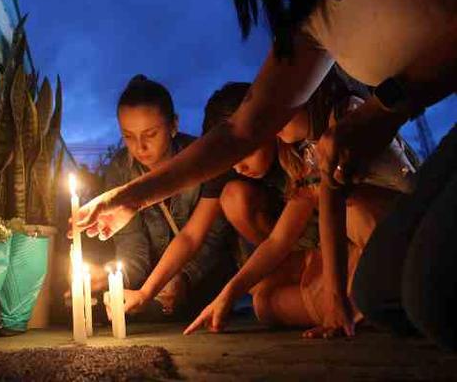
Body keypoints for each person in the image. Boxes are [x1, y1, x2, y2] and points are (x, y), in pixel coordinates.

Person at [77, 0, 455, 347]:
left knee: (433, 296)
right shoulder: (316, 18)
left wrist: (386, 108)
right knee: (380, 291)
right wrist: (128, 197)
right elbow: (240, 131)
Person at [185, 75, 417, 337]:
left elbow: (333, 208)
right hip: (348, 254)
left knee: (352, 208)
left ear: (307, 96)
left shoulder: (347, 120)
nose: (272, 126)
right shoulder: (303, 151)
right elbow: (277, 241)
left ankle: (373, 300)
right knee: (264, 304)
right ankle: (360, 306)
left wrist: (335, 296)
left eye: (279, 112)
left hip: (399, 242)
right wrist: (226, 296)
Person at [120, 82, 287, 318]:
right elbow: (190, 235)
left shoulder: (297, 160)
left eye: (150, 134)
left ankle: (290, 274)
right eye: (128, 136)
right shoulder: (229, 166)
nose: (238, 165)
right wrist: (146, 292)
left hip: (284, 250)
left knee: (234, 196)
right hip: (267, 256)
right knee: (265, 306)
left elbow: (277, 239)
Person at [99, 75, 236, 319]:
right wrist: (113, 279)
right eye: (128, 136)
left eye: (150, 134)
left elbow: (212, 237)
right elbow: (132, 246)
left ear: (173, 125)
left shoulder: (204, 160)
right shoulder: (120, 171)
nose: (139, 147)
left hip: (211, 285)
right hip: (154, 292)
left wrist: (184, 277)